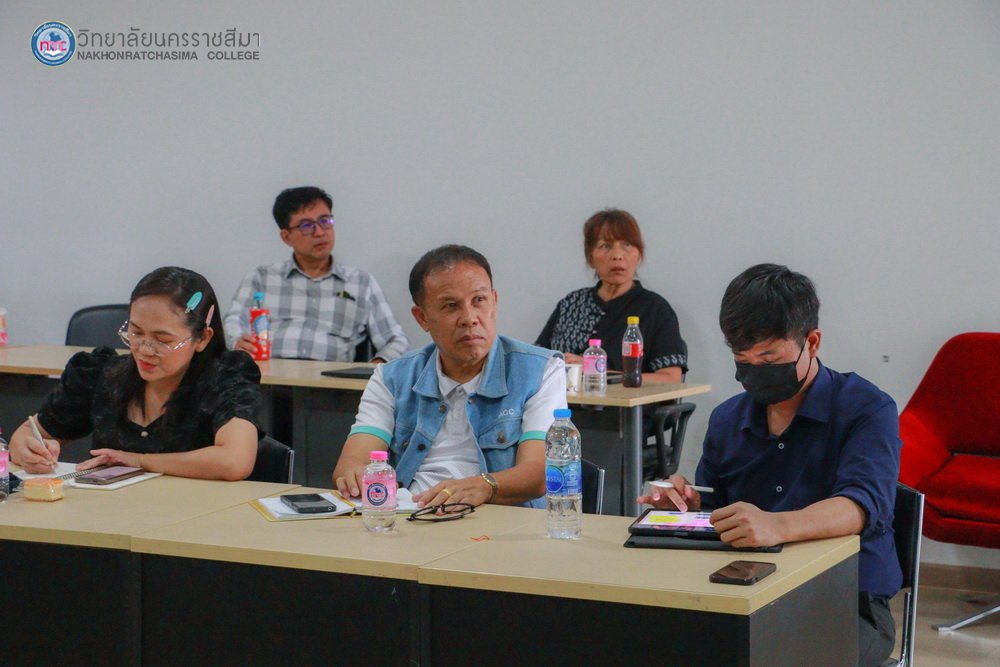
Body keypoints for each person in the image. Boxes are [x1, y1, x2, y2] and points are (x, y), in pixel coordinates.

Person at [638, 263, 901, 666]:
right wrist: (690, 507)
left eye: (769, 357)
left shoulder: (865, 409)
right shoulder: (728, 419)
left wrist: (778, 524)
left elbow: (862, 505)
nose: (755, 372)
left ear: (812, 342)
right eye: (742, 359)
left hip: (844, 600)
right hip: (742, 593)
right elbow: (717, 509)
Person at [333, 244, 567, 509]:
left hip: (499, 518)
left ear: (494, 303)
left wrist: (483, 486)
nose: (469, 318)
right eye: (451, 306)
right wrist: (354, 475)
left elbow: (538, 473)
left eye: (479, 300)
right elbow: (351, 462)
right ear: (422, 318)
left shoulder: (540, 371)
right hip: (412, 514)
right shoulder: (391, 377)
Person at [9, 267, 262, 480]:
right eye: (136, 333)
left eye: (163, 340)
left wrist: (138, 461)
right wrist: (29, 451)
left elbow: (235, 461)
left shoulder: (225, 379)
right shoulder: (103, 375)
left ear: (202, 338)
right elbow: (28, 433)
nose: (144, 350)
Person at [223, 186, 409, 362]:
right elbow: (233, 321)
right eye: (306, 226)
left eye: (325, 221)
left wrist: (378, 365)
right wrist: (237, 341)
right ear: (286, 237)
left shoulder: (361, 283)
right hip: (268, 378)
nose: (319, 232)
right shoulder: (261, 278)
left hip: (331, 382)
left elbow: (396, 340)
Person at [536, 209, 687, 383]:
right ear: (590, 257)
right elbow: (537, 361)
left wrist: (598, 372)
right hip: (565, 400)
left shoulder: (655, 309)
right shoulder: (571, 304)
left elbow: (670, 378)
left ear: (639, 255)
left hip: (625, 401)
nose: (617, 255)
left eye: (627, 245)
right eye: (605, 246)